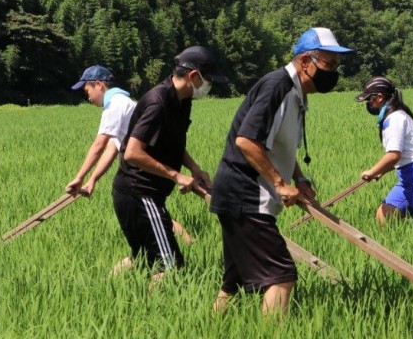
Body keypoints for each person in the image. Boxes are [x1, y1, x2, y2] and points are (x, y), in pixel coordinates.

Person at [210, 27, 353, 316]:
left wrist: (299, 179)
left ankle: (209, 332)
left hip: (243, 195)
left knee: (235, 281)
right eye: (328, 65)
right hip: (246, 195)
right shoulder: (278, 87)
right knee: (281, 275)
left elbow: (278, 145)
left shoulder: (296, 93)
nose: (333, 73)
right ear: (304, 62)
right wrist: (279, 183)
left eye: (337, 66)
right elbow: (247, 141)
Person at [110, 45, 227, 283]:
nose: (209, 86)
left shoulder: (182, 100)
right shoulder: (158, 102)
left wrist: (194, 168)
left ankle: (102, 292)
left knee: (142, 257)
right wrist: (175, 175)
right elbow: (132, 153)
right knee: (170, 266)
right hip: (139, 192)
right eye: (209, 80)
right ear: (194, 76)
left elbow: (171, 142)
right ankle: (150, 315)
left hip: (139, 193)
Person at [66, 65, 195, 249]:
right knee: (153, 222)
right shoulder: (122, 103)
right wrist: (92, 179)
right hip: (144, 167)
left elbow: (99, 145)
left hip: (143, 170)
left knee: (154, 219)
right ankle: (190, 245)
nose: (87, 96)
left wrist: (79, 177)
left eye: (87, 90)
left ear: (98, 85)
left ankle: (189, 246)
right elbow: (112, 148)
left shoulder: (116, 105)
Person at [355, 76, 413, 226]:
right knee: (384, 215)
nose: (368, 104)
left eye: (369, 99)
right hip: (407, 176)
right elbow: (402, 156)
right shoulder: (393, 117)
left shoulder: (395, 118)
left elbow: (394, 155)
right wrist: (381, 171)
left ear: (379, 97)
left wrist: (372, 171)